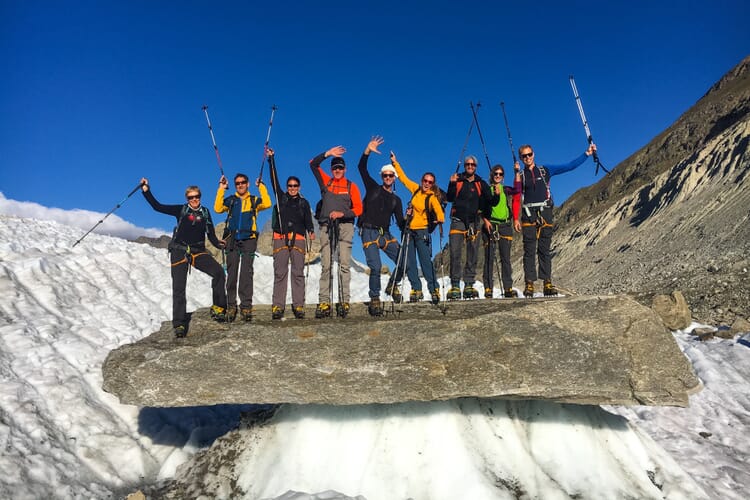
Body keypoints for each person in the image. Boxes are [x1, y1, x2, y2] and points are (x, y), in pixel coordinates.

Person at [140, 178, 227, 338]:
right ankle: (179, 323)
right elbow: (157, 207)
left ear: (200, 196)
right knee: (179, 287)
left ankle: (219, 308)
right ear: (187, 199)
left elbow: (211, 235)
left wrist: (219, 244)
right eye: (191, 197)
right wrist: (146, 190)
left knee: (219, 272)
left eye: (197, 196)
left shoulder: (206, 213)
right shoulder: (181, 210)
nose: (194, 200)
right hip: (179, 250)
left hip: (198, 251)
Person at [513, 143, 597, 296]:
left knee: (544, 250)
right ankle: (529, 284)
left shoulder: (545, 170)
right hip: (528, 213)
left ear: (534, 154)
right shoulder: (520, 175)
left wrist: (587, 153)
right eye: (524, 156)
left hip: (545, 212)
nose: (527, 158)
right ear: (520, 158)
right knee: (529, 251)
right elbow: (517, 196)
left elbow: (569, 166)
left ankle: (547, 283)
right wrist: (515, 218)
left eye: (529, 154)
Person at [310, 145, 364, 318]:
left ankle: (344, 301)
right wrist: (327, 154)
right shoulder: (326, 181)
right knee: (326, 264)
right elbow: (312, 164)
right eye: (334, 167)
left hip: (345, 226)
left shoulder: (351, 186)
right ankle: (324, 302)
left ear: (345, 169)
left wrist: (343, 213)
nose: (337, 170)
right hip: (326, 226)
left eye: (340, 167)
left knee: (344, 264)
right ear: (331, 169)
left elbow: (359, 209)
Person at [356, 136, 406, 316]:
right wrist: (367, 150)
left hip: (385, 234)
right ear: (382, 177)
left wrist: (410, 222)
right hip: (368, 231)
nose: (387, 177)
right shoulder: (372, 188)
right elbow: (361, 168)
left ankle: (392, 286)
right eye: (385, 175)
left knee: (404, 259)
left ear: (394, 178)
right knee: (376, 267)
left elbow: (400, 223)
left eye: (390, 175)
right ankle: (374, 298)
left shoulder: (396, 200)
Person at [213, 171, 271, 321]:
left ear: (248, 184)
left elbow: (268, 203)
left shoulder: (254, 200)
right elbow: (217, 208)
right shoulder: (231, 200)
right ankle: (231, 306)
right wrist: (221, 189)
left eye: (243, 182)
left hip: (249, 239)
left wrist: (262, 187)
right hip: (232, 239)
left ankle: (246, 307)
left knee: (246, 274)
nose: (240, 185)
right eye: (237, 183)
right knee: (231, 274)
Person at [390, 152, 444, 305]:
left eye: (430, 182)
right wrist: (395, 163)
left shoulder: (432, 197)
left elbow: (439, 210)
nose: (427, 183)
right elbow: (403, 179)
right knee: (410, 262)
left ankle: (434, 289)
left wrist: (440, 218)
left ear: (432, 184)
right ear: (422, 181)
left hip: (422, 232)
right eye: (425, 180)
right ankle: (416, 289)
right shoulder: (416, 190)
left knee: (426, 262)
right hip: (409, 231)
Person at [267, 148, 315, 320]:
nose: (292, 188)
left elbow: (308, 220)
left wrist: (311, 231)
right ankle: (278, 307)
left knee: (298, 272)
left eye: (295, 186)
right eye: (290, 186)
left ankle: (298, 305)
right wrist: (271, 160)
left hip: (299, 239)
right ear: (287, 187)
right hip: (280, 238)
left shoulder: (304, 202)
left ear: (299, 187)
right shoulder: (281, 198)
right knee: (280, 272)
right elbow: (273, 180)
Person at [445, 155, 492, 300]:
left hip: (474, 222)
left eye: (472, 165)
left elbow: (489, 201)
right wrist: (452, 184)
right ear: (465, 166)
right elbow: (450, 198)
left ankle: (469, 284)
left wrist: (494, 193)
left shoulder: (480, 183)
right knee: (455, 252)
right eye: (467, 164)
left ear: (476, 167)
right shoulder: (457, 179)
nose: (470, 166)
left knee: (472, 253)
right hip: (457, 220)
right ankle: (454, 285)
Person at [482, 163, 522, 298]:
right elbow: (480, 207)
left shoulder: (505, 189)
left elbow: (517, 190)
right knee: (489, 258)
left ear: (503, 177)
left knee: (506, 259)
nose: (498, 176)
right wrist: (486, 221)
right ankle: (488, 288)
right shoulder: (486, 190)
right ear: (492, 176)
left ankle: (508, 288)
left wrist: (517, 172)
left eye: (500, 174)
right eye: (496, 174)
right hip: (491, 225)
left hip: (505, 226)